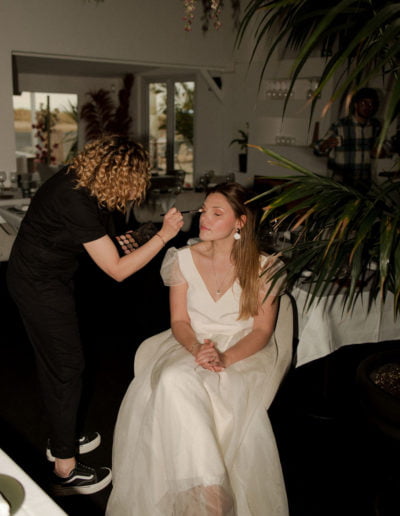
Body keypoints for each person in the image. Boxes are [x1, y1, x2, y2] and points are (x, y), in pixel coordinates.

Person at [6, 135, 184, 496]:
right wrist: (164, 236)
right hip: (38, 284)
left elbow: (89, 238)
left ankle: (63, 435)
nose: (135, 191)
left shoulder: (83, 183)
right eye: (134, 183)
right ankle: (65, 468)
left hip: (49, 276)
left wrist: (126, 240)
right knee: (67, 366)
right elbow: (116, 270)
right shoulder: (74, 197)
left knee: (58, 363)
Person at [106, 182, 291, 515]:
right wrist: (196, 349)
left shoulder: (265, 266)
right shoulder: (182, 259)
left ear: (240, 222)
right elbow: (179, 321)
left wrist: (224, 357)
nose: (204, 218)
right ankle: (212, 495)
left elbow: (262, 330)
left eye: (217, 213)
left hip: (240, 349)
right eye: (204, 210)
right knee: (173, 378)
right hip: (192, 342)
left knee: (178, 384)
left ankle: (202, 496)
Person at [314, 87, 388, 190]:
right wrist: (327, 144)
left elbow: (383, 148)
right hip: (341, 186)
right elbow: (317, 149)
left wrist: (381, 151)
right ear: (356, 105)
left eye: (371, 104)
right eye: (364, 103)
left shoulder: (375, 126)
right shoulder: (340, 125)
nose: (367, 107)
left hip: (364, 185)